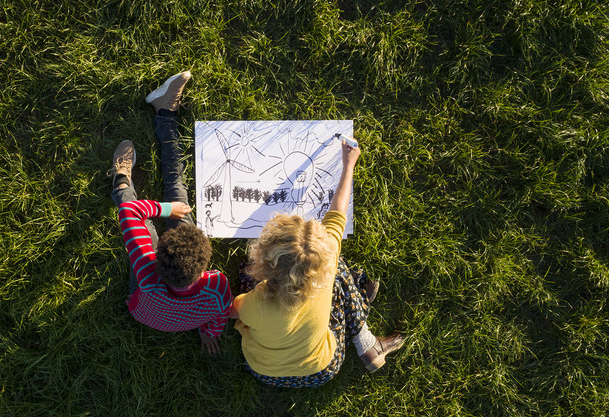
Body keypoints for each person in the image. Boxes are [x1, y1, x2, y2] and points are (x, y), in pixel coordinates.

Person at [230, 140, 406, 387]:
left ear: (265, 260)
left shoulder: (256, 302)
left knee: (242, 273)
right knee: (337, 269)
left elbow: (231, 311)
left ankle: (366, 340)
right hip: (323, 369)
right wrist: (348, 166)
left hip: (265, 373)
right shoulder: (327, 261)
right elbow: (338, 212)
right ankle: (364, 341)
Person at [110, 71, 232, 355]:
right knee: (176, 190)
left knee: (151, 212)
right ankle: (165, 110)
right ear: (205, 269)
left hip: (141, 302)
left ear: (157, 254)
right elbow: (221, 313)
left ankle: (120, 180)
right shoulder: (216, 285)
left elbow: (130, 211)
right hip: (165, 317)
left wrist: (167, 210)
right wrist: (209, 332)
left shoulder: (145, 266)